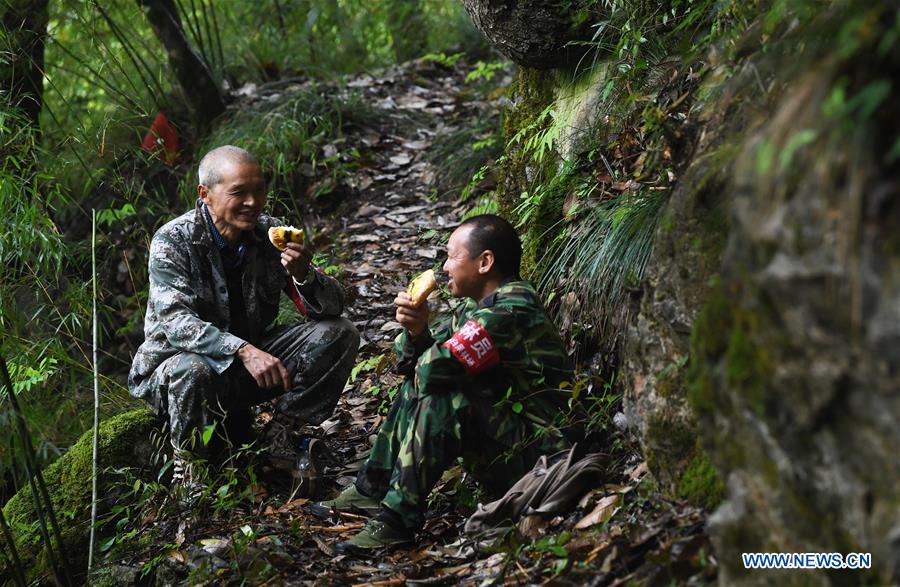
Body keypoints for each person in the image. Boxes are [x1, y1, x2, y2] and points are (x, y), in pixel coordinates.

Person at [318, 214, 578, 550]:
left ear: (484, 262)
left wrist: (424, 350)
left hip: (544, 459)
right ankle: (372, 489)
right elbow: (412, 366)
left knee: (445, 396)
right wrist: (417, 332)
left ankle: (396, 522)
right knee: (424, 386)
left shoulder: (512, 308)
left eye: (452, 256)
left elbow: (431, 371)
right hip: (512, 444)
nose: (443, 267)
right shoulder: (473, 308)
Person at [128, 145, 359, 491]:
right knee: (193, 369)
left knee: (339, 333)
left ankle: (279, 437)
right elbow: (176, 324)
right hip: (181, 373)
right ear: (205, 194)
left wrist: (304, 275)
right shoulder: (173, 241)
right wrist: (242, 350)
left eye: (259, 190)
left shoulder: (270, 234)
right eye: (239, 192)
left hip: (248, 367)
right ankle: (191, 472)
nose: (253, 202)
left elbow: (331, 309)